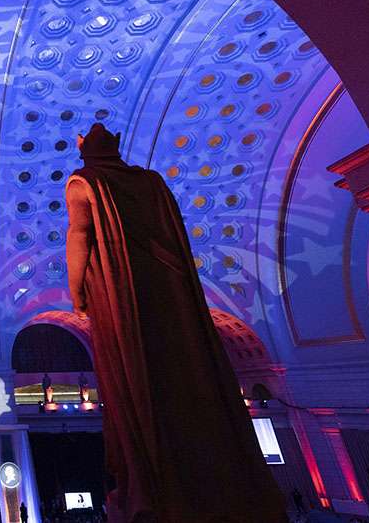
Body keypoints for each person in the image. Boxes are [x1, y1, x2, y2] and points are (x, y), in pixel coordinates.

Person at [65, 123, 286, 523]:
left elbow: (79, 235)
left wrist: (77, 292)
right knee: (187, 370)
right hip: (171, 299)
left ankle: (152, 486)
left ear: (86, 151)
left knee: (138, 378)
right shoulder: (153, 182)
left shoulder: (84, 182)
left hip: (122, 299)